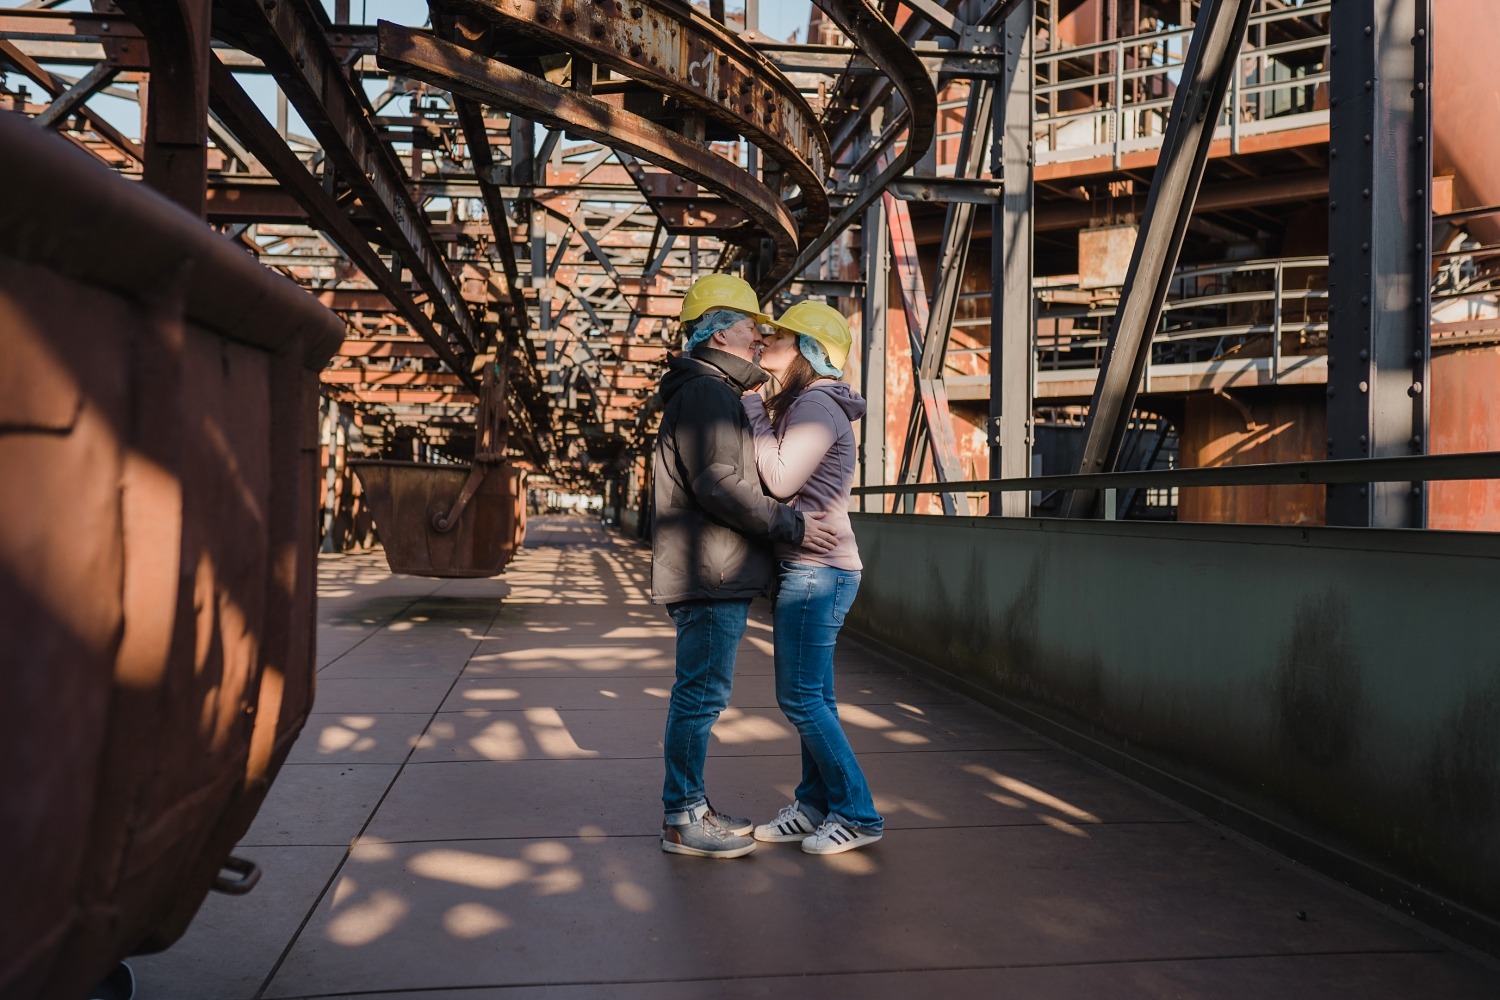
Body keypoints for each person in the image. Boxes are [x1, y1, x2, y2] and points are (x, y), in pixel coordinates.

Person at [651, 274, 839, 860]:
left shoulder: (709, 391)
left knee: (701, 693)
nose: (760, 336)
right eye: (751, 325)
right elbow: (718, 483)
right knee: (701, 696)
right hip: (712, 572)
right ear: (721, 331)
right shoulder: (708, 394)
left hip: (712, 568)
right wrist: (794, 525)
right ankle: (683, 819)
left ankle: (692, 809)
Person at [742, 301, 885, 855]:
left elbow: (778, 480)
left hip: (816, 573)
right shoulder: (809, 404)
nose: (765, 349)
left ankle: (858, 812)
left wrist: (753, 407)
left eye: (776, 341)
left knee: (801, 698)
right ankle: (813, 804)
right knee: (814, 696)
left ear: (806, 350)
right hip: (811, 570)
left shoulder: (816, 407)